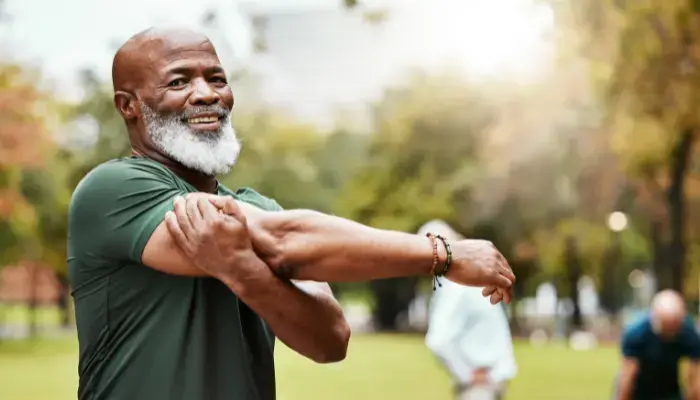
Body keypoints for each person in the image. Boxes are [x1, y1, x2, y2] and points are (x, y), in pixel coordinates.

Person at [67, 26, 516, 400]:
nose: (205, 94)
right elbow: (284, 242)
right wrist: (443, 254)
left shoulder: (260, 208)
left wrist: (244, 271)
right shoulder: (112, 190)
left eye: (217, 78)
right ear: (129, 106)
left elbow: (330, 339)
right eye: (178, 81)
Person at [426, 276, 517, 400]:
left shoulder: (476, 283)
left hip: (490, 382)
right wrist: (466, 374)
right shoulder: (459, 288)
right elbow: (438, 341)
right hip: (479, 387)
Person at [615, 290, 700, 400]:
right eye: (667, 326)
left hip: (670, 390)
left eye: (674, 325)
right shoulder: (636, 334)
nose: (671, 331)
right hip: (639, 391)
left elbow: (695, 378)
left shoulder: (689, 333)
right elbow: (627, 378)